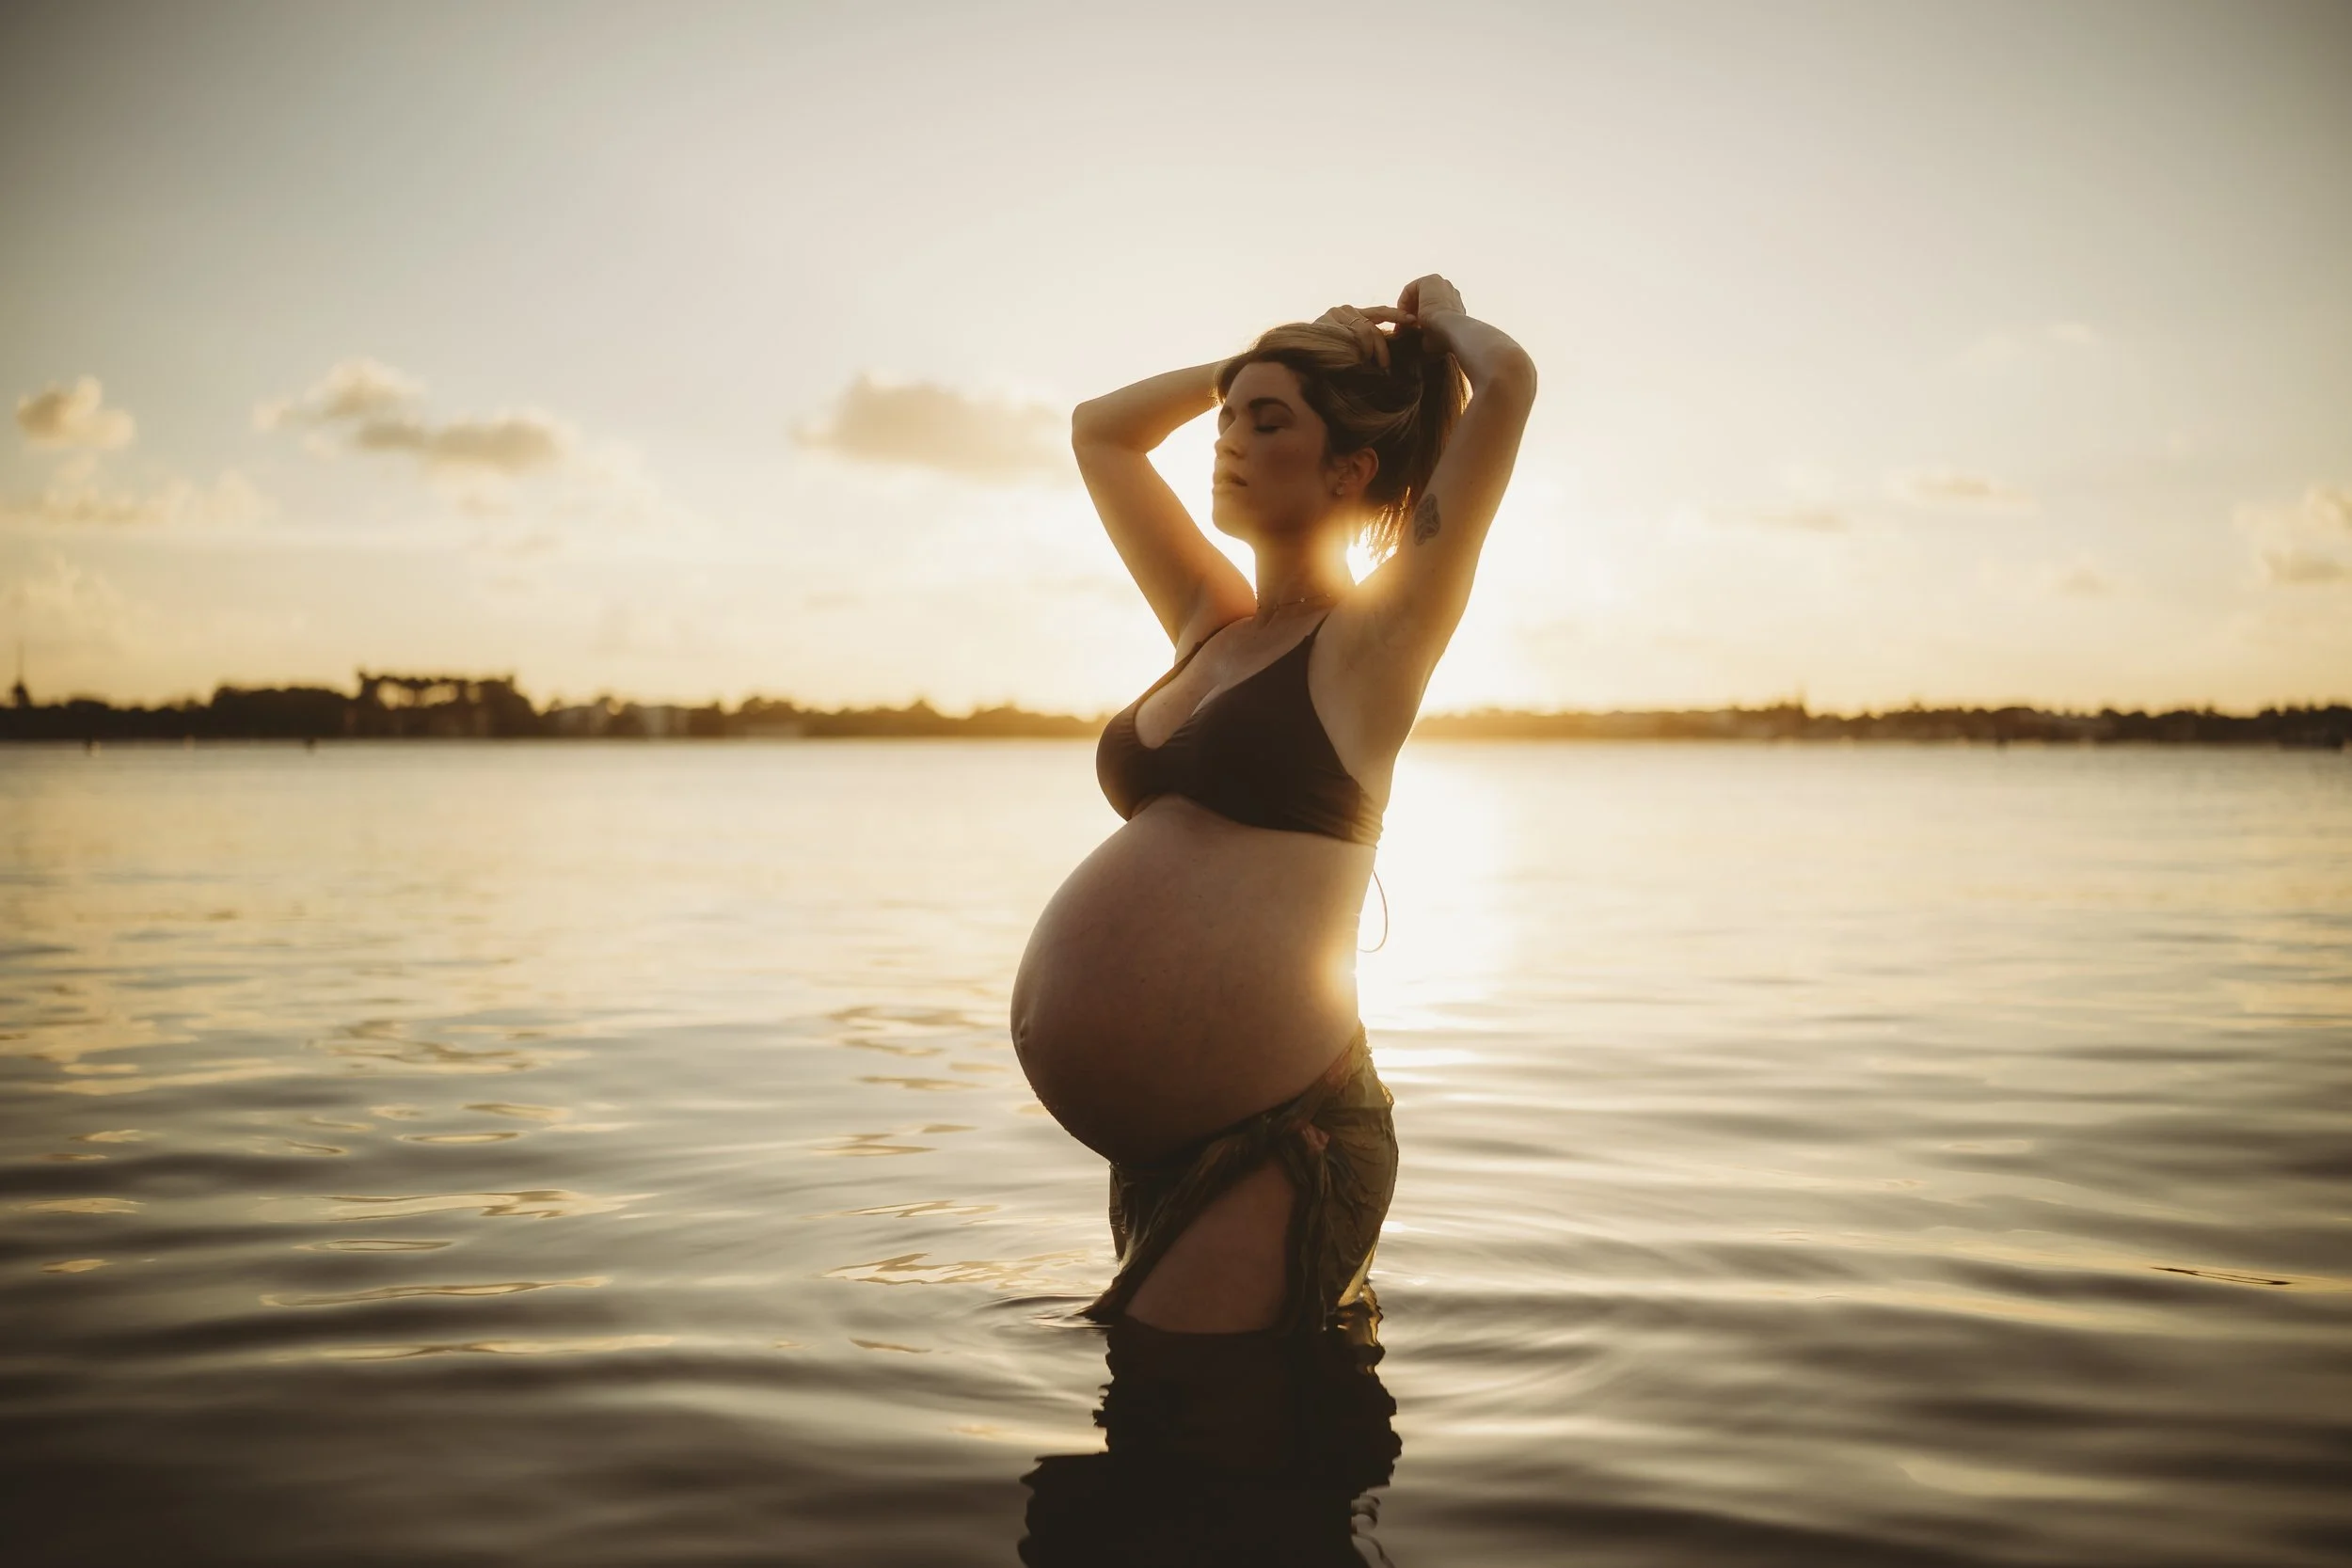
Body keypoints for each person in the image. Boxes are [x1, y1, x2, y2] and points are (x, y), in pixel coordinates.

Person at [1010, 274, 1536, 1335]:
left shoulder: (1369, 645)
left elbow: (1510, 382)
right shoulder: (1211, 621)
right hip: (1168, 1143)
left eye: (1267, 420)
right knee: (1164, 1446)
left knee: (1206, 1445)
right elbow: (1100, 434)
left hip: (1282, 1138)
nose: (1227, 437)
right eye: (1227, 416)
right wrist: (1252, 365)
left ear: (1347, 465)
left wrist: (1434, 328)